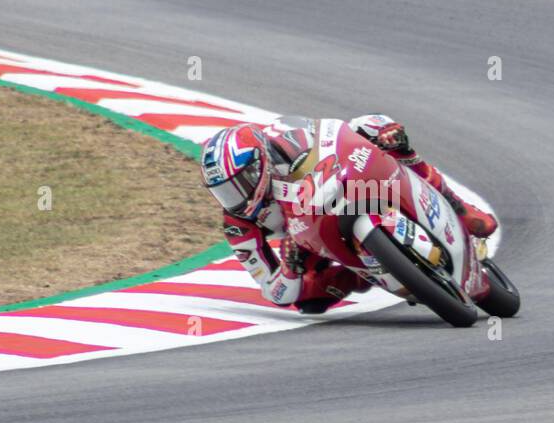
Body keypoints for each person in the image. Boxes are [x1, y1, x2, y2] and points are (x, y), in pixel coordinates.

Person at [199, 115, 497, 313]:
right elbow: (273, 291)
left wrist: (373, 134)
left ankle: (458, 207)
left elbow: (333, 131)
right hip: (304, 242)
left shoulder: (285, 140)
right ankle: (360, 276)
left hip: (334, 190)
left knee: (378, 129)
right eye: (223, 192)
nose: (234, 198)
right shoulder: (238, 226)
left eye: (238, 184)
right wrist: (290, 267)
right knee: (308, 301)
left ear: (258, 165)